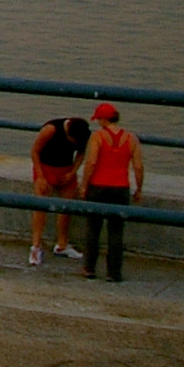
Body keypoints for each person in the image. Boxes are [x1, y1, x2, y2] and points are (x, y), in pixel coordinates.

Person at [77, 103, 143, 283]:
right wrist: (139, 188)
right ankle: (113, 272)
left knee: (93, 229)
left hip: (98, 187)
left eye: (98, 119)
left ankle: (89, 268)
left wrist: (84, 185)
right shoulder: (131, 138)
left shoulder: (98, 137)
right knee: (116, 232)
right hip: (120, 188)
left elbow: (90, 163)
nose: (97, 122)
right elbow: (138, 166)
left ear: (103, 119)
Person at [28, 116, 91, 266]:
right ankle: (36, 246)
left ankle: (62, 244)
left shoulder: (82, 134)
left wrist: (73, 172)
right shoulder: (51, 129)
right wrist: (41, 177)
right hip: (45, 167)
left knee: (66, 206)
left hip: (66, 169)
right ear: (68, 131)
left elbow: (81, 154)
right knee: (40, 206)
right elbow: (35, 152)